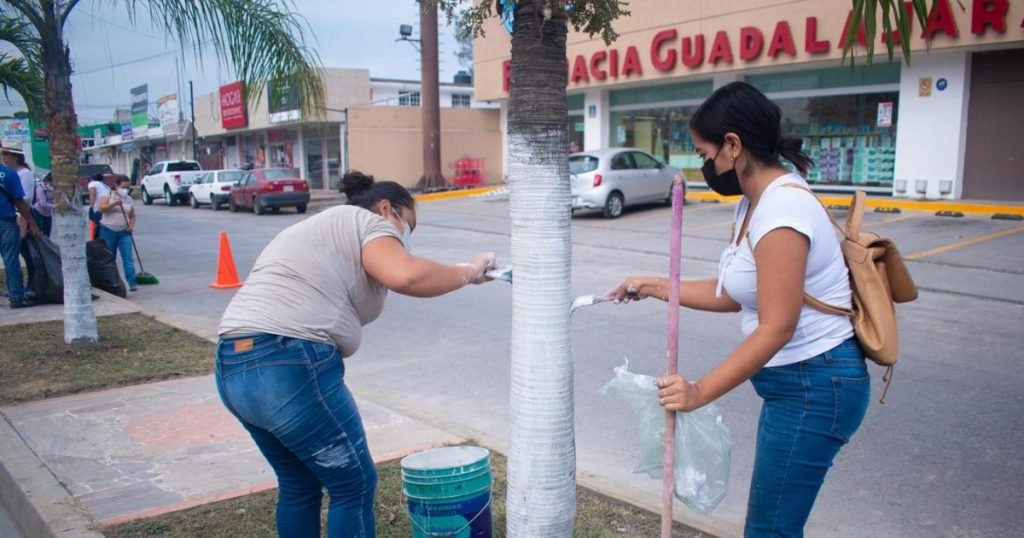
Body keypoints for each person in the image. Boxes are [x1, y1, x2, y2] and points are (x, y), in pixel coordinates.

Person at [608, 82, 869, 538]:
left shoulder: (783, 209)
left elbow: (777, 327)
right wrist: (653, 285)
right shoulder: (754, 203)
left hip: (816, 384)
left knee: (769, 531)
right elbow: (734, 294)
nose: (705, 166)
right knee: (772, 527)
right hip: (799, 383)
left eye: (705, 155)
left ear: (733, 144)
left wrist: (699, 392)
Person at [216, 170, 497, 537]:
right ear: (386, 209)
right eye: (408, 224)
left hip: (233, 365)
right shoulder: (366, 221)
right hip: (287, 362)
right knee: (354, 484)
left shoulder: (327, 232)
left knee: (300, 484)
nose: (406, 238)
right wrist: (470, 270)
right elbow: (407, 276)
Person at [0, 159, 41, 308]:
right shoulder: (9, 173)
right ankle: (16, 298)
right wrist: (32, 223)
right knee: (11, 261)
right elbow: (19, 202)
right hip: (6, 222)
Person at [3, 144, 37, 294]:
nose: (5, 159)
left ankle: (23, 288)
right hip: (10, 220)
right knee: (12, 258)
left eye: (7, 156)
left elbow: (25, 199)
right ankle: (15, 292)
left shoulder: (23, 174)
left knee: (21, 255)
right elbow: (20, 200)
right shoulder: (9, 174)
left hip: (16, 219)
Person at [97, 177, 137, 292]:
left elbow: (132, 215)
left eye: (127, 187)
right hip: (108, 230)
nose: (125, 189)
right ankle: (112, 282)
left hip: (124, 231)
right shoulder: (107, 195)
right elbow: (101, 208)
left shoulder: (128, 199)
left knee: (128, 257)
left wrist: (131, 225)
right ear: (116, 186)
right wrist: (114, 203)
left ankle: (132, 282)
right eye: (123, 187)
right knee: (110, 257)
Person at [87, 172, 111, 240]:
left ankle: (97, 243)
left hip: (97, 209)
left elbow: (92, 194)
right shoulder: (106, 186)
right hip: (105, 208)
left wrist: (91, 207)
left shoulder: (92, 183)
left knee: (97, 229)